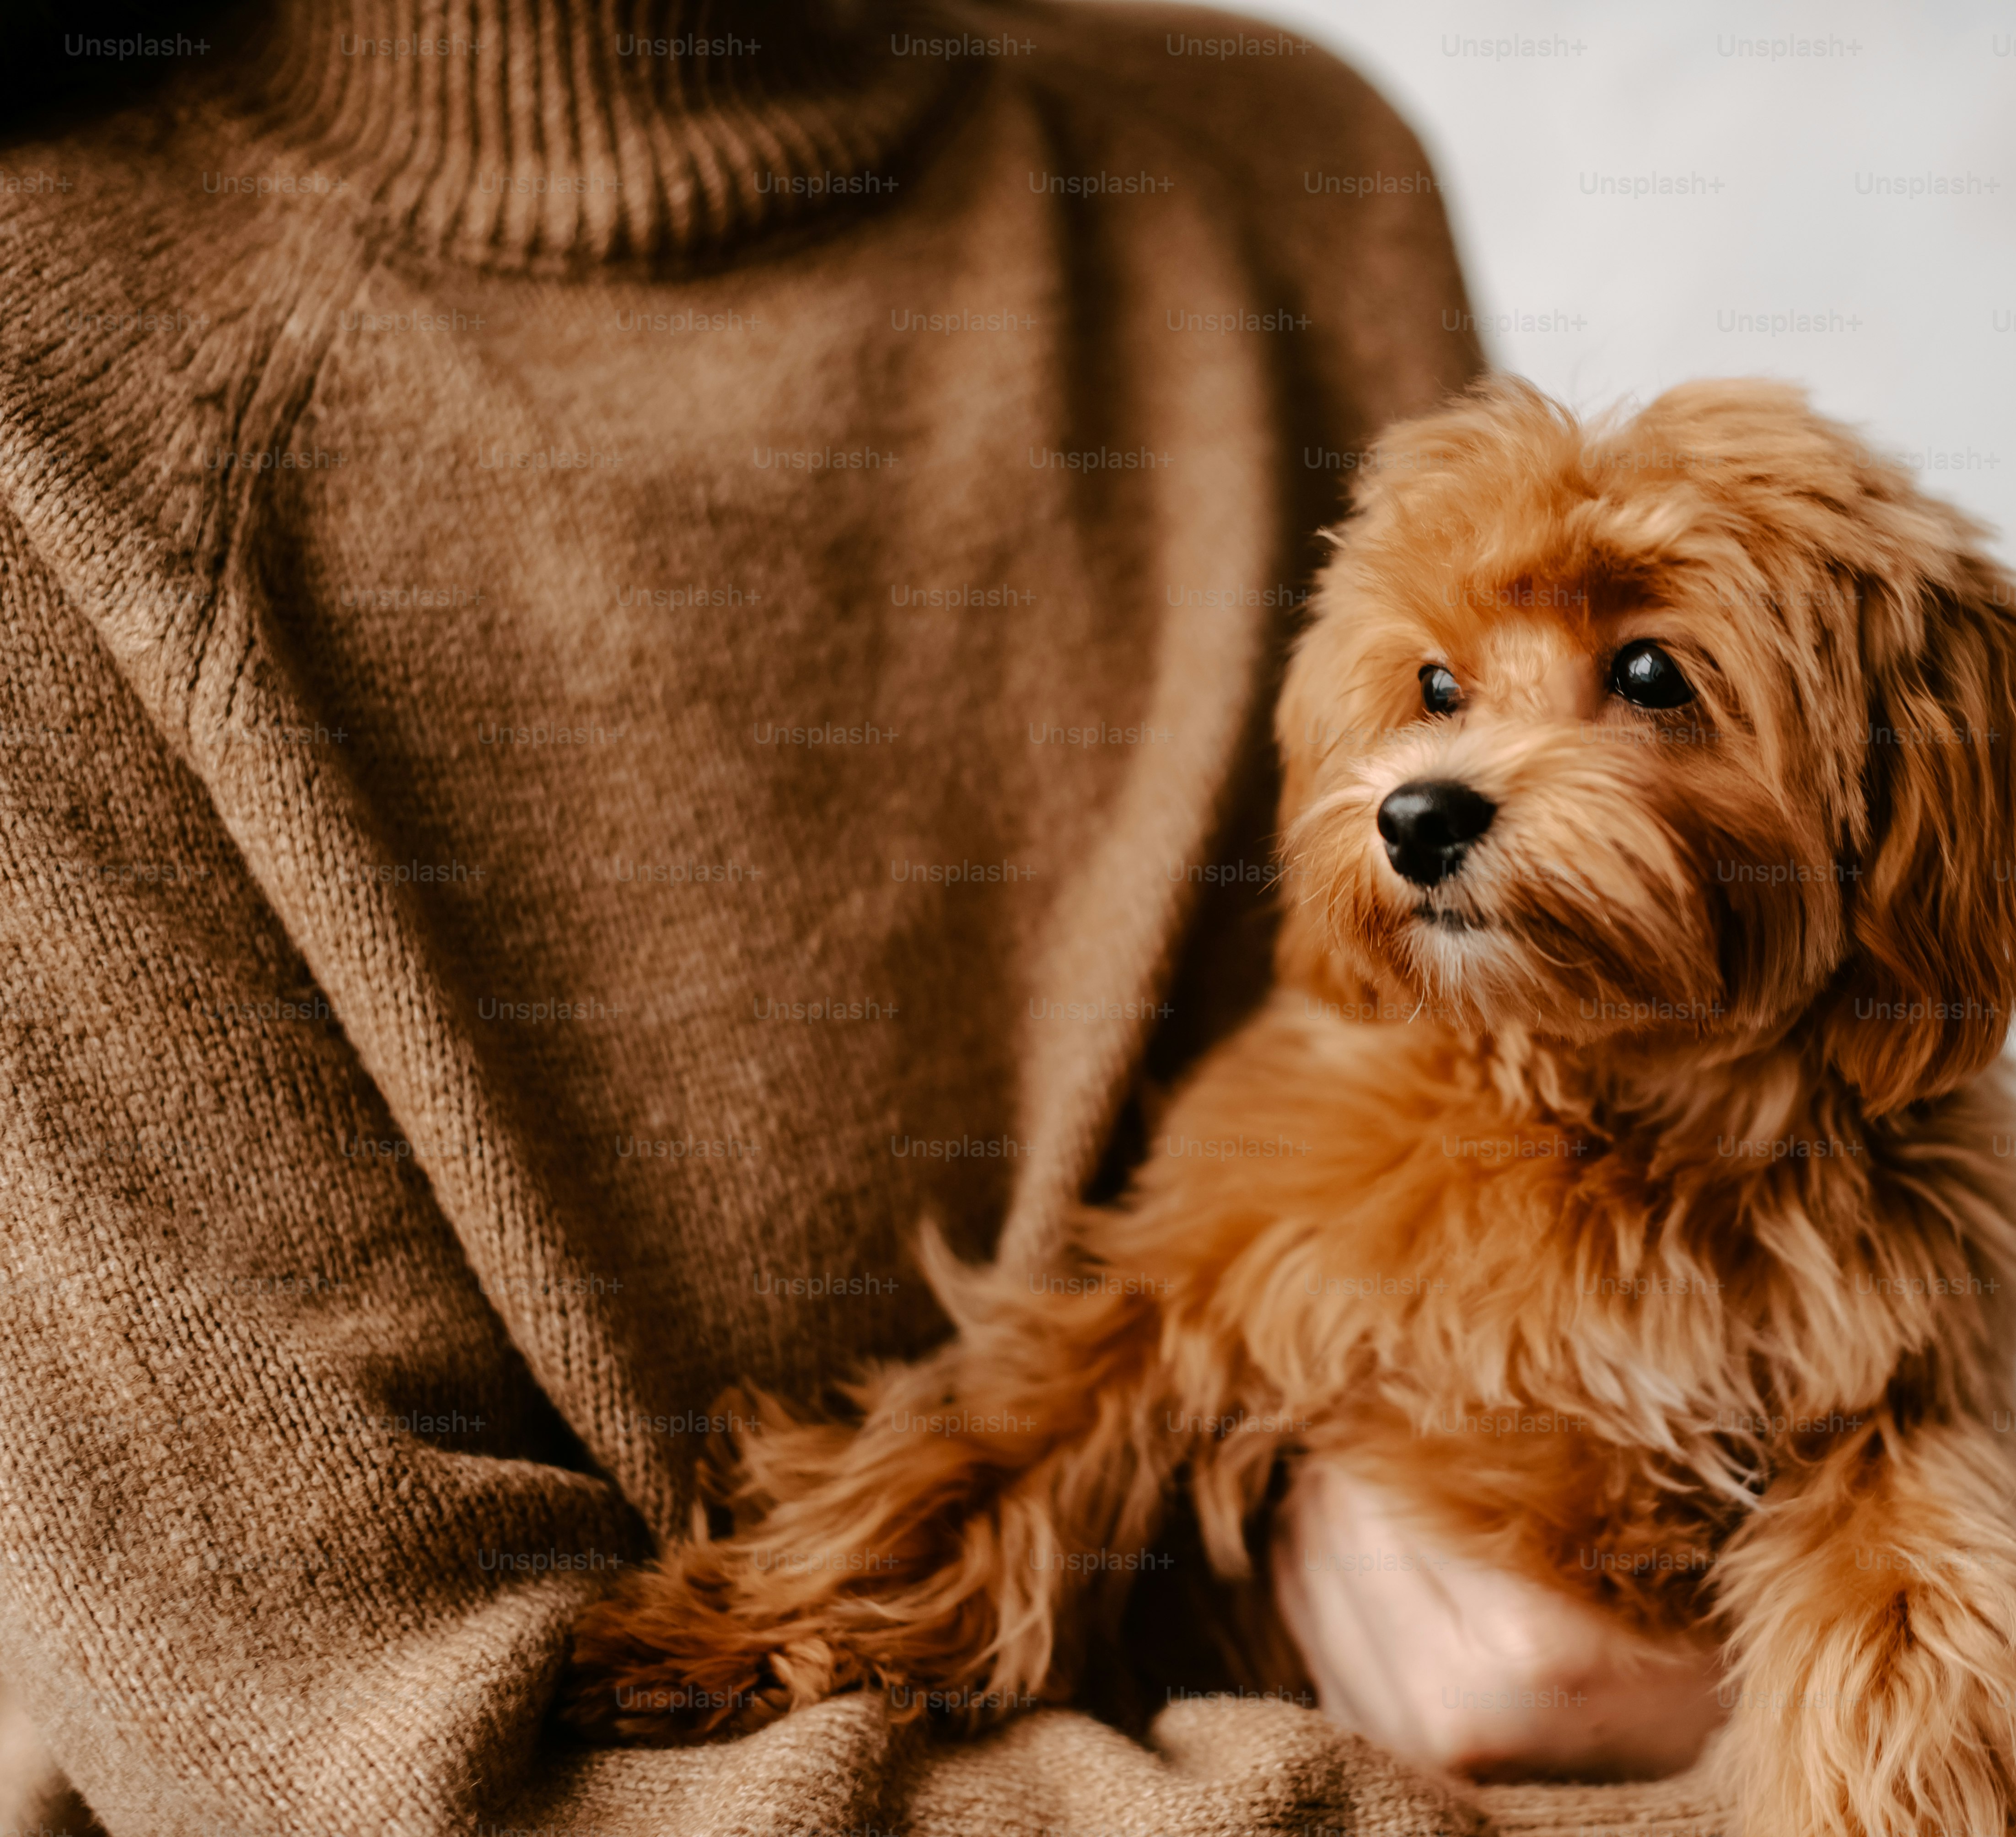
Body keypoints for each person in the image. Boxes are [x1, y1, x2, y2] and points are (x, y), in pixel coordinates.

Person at [0, 3, 1719, 1830]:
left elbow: (1726, 1165)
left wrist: (1808, 1644)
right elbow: (382, 1766)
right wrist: (1709, 1799)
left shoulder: (1283, 168)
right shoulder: (56, 382)